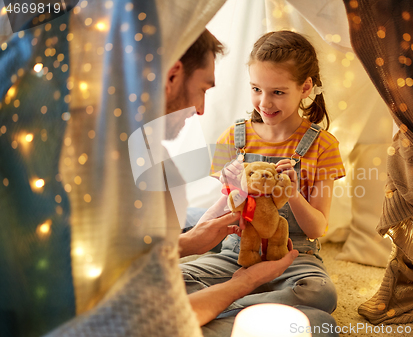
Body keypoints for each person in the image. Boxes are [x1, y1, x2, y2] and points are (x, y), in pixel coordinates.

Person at [45, 29, 299, 337]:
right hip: (116, 324)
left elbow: (122, 258)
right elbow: (160, 319)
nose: (202, 109)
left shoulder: (96, 130)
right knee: (306, 324)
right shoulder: (143, 169)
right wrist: (243, 284)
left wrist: (187, 243)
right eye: (203, 89)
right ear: (172, 76)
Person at [180, 30, 345, 337]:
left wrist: (293, 194)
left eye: (278, 92)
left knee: (319, 294)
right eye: (256, 89)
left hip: (295, 257)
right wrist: (235, 190)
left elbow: (316, 228)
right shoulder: (234, 137)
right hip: (238, 252)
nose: (264, 102)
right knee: (174, 278)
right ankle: (253, 314)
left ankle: (221, 313)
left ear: (305, 87)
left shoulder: (323, 145)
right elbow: (216, 217)